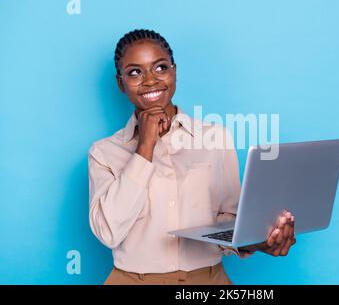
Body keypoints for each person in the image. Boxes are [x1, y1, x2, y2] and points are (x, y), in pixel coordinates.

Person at [88, 29, 296, 285]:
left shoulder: (216, 138)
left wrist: (256, 242)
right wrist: (145, 147)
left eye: (160, 67)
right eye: (135, 72)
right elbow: (108, 232)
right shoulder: (104, 153)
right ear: (121, 83)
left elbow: (228, 221)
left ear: (174, 72)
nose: (151, 80)